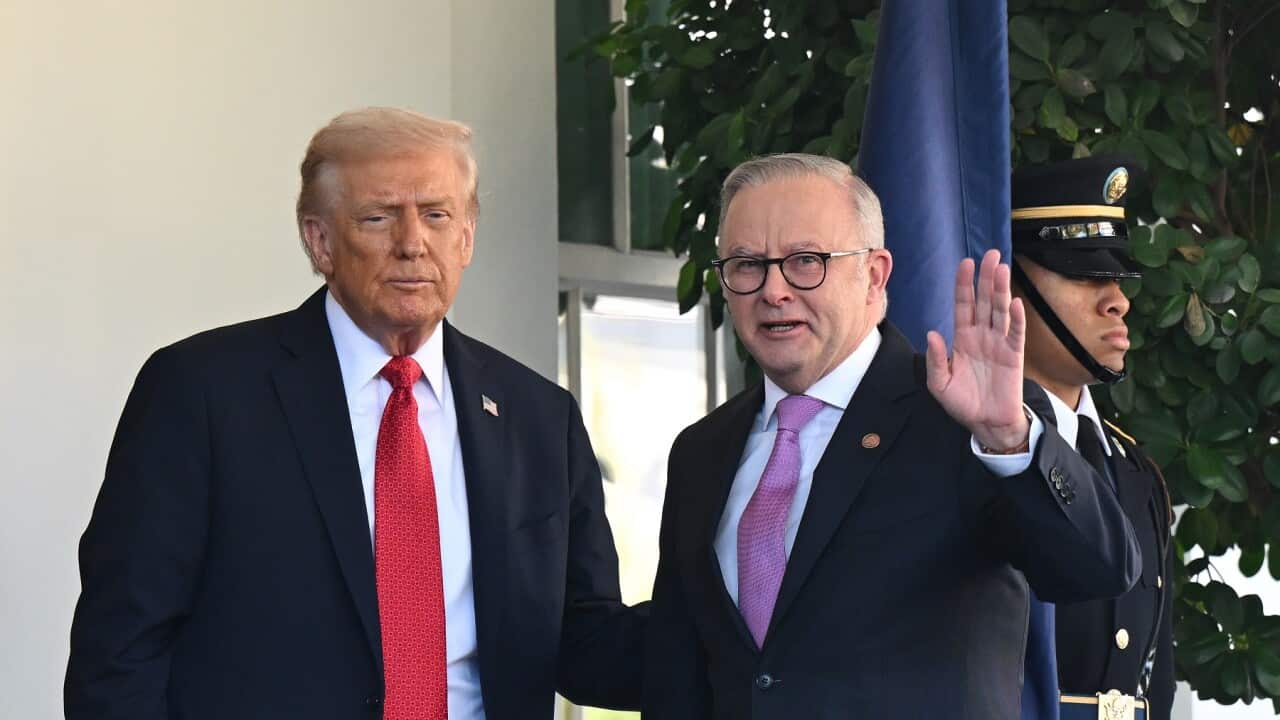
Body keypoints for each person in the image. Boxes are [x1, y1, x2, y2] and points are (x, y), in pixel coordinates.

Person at [65, 107, 644, 720]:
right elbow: (121, 650)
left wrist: (735, 615)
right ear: (320, 241)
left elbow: (585, 640)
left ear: (467, 235)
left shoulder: (539, 417)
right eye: (379, 217)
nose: (412, 243)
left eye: (437, 215)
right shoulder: (203, 392)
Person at [643, 153, 1140, 719]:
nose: (773, 290)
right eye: (747, 264)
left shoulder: (966, 419)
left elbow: (1099, 569)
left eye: (807, 261)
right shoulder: (701, 451)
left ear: (874, 275)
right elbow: (678, 669)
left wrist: (1010, 440)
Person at [1010, 156, 1174, 720]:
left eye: (1118, 278)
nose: (1117, 301)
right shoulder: (969, 456)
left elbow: (1156, 683)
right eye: (1084, 275)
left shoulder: (1135, 470)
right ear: (1010, 285)